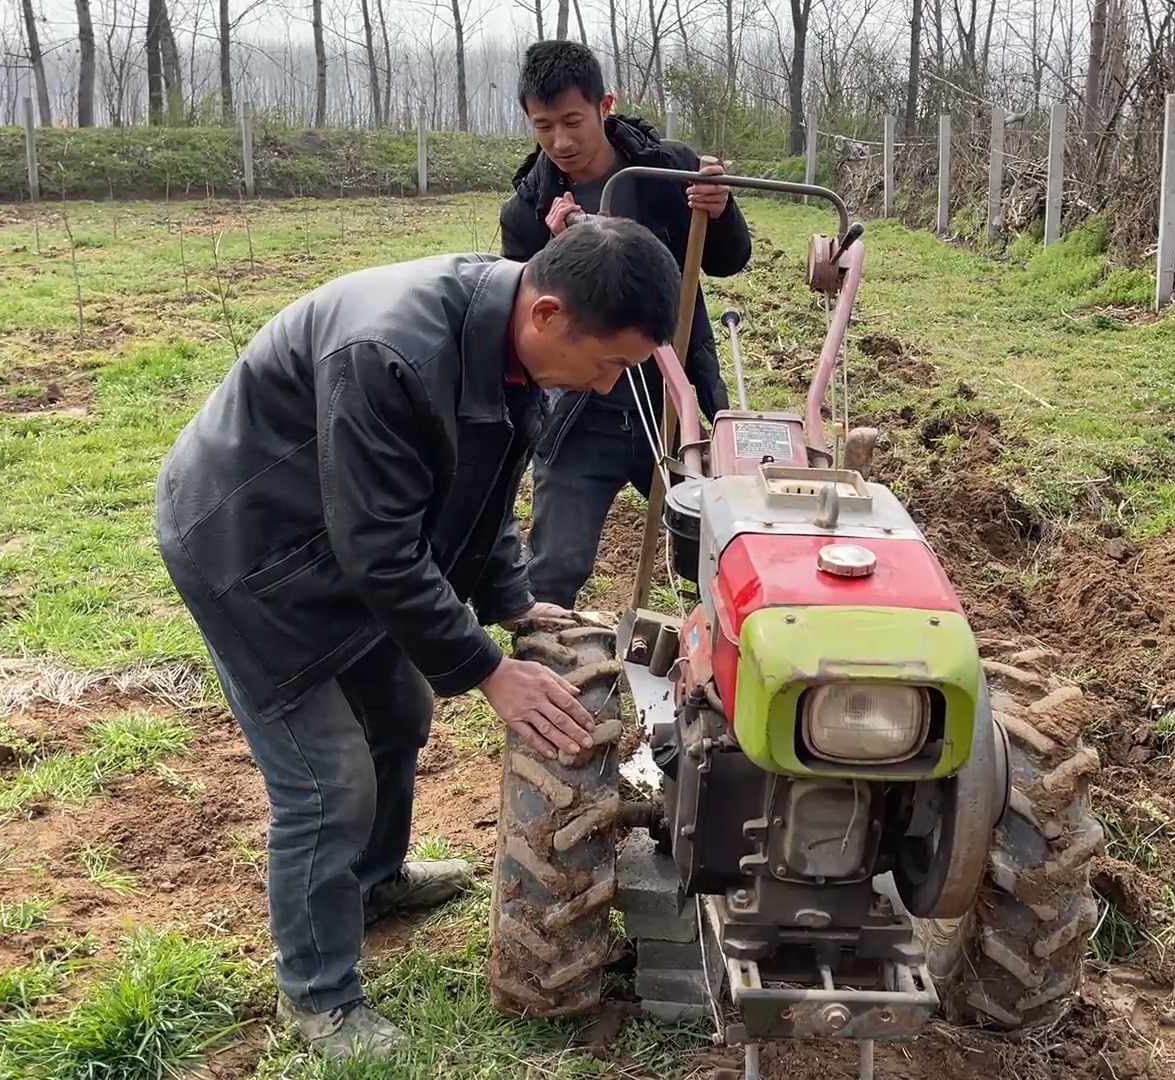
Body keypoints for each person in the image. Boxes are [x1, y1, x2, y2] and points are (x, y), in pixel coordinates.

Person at [153, 217, 684, 1061]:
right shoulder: (391, 352)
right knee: (327, 780)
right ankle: (321, 998)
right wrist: (488, 670)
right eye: (611, 362)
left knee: (399, 710)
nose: (609, 384)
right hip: (248, 548)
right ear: (548, 312)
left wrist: (510, 600)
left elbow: (483, 482)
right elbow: (380, 549)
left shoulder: (511, 340)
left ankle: (374, 881)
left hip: (335, 538)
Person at [499, 40, 754, 609]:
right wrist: (552, 253)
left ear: (604, 105)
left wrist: (719, 208)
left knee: (716, 551)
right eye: (544, 126)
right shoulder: (527, 210)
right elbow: (524, 320)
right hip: (580, 413)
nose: (560, 142)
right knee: (553, 570)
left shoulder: (665, 171)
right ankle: (548, 685)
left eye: (572, 121)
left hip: (673, 401)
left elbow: (727, 260)